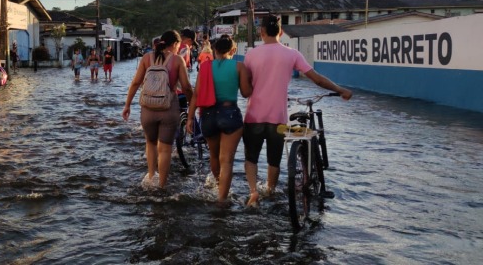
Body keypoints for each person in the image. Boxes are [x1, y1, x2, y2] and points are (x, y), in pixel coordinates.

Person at [243, 15, 352, 207]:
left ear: (261, 32)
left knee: (251, 158)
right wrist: (340, 90)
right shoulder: (292, 54)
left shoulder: (251, 54)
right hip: (278, 118)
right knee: (274, 160)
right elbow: (316, 79)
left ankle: (253, 192)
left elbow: (246, 86)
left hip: (254, 116)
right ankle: (270, 190)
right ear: (281, 32)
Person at [122, 30, 193, 189]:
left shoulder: (147, 58)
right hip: (169, 108)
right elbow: (187, 87)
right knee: (166, 149)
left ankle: (151, 177)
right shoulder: (177, 60)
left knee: (150, 143)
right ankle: (162, 186)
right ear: (175, 44)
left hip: (147, 109)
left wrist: (127, 105)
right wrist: (192, 107)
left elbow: (135, 83)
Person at [187, 35, 252, 204]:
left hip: (208, 116)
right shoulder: (239, 67)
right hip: (230, 113)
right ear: (233, 50)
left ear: (214, 50)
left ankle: (217, 186)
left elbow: (196, 94)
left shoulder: (205, 67)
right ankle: (222, 199)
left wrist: (189, 119)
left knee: (214, 157)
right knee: (227, 160)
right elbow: (246, 93)